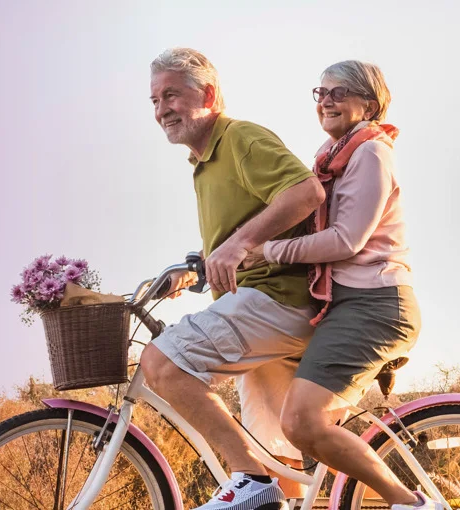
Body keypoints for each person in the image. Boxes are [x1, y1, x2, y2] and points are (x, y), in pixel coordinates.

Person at [242, 60, 432, 510]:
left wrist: (266, 250)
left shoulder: (371, 152)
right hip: (348, 306)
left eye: (339, 92)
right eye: (320, 92)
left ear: (368, 103)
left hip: (374, 305)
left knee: (302, 423)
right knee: (280, 407)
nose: (326, 100)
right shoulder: (332, 160)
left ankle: (408, 503)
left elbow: (347, 240)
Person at [140, 47, 324, 510]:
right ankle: (263, 482)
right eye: (155, 100)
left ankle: (245, 475)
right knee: (277, 459)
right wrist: (197, 265)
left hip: (275, 299)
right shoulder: (203, 165)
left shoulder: (239, 138)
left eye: (172, 96)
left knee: (161, 362)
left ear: (209, 93)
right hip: (258, 307)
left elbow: (307, 192)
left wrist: (239, 244)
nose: (162, 109)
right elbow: (240, 229)